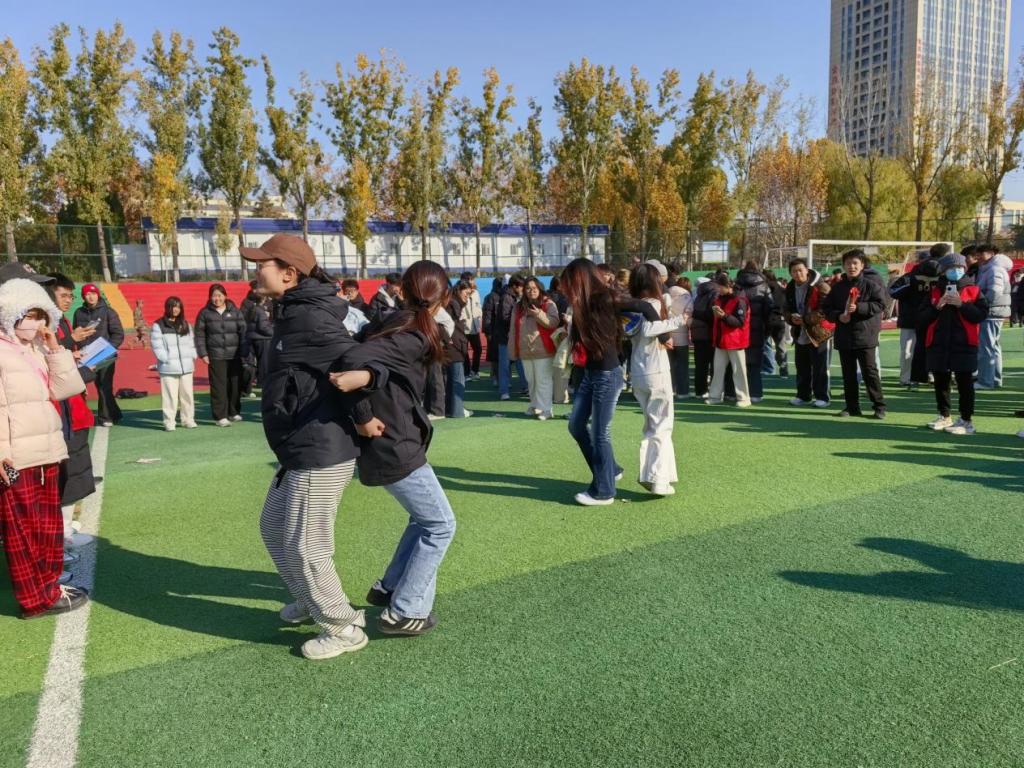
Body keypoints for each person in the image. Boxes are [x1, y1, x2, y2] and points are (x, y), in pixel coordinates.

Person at [241, 233, 382, 660]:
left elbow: (356, 364)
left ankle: (343, 627)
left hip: (319, 448)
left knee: (307, 545)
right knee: (273, 527)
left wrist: (363, 416)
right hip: (297, 444)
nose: (255, 270)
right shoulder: (291, 310)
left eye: (262, 264)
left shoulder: (309, 317)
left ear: (289, 273)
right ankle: (310, 598)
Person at [330, 260, 457, 638]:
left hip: (396, 438)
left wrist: (368, 383)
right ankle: (404, 610)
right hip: (394, 442)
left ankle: (390, 587)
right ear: (443, 296)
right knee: (441, 524)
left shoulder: (398, 323)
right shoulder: (412, 333)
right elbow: (351, 361)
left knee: (424, 519)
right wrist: (364, 407)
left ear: (404, 290)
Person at [0, 278, 89, 618]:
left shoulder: (36, 348)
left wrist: (54, 348)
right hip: (17, 457)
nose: (35, 323)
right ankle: (34, 599)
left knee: (47, 528)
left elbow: (66, 388)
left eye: (40, 315)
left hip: (46, 450)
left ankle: (49, 587)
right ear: (11, 313)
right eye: (29, 315)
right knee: (23, 533)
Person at [560, 259, 663, 506]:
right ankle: (611, 470)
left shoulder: (604, 298)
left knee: (600, 434)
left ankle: (604, 491)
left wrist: (665, 335)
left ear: (580, 279)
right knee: (576, 425)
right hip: (590, 373)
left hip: (607, 374)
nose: (565, 289)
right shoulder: (583, 302)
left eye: (568, 283)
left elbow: (644, 307)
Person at [47, 274, 97, 557]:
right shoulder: (48, 325)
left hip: (73, 408)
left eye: (70, 296)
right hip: (59, 412)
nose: (69, 300)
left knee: (74, 473)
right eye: (64, 295)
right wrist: (69, 341)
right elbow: (48, 360)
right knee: (63, 476)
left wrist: (76, 353)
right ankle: (61, 535)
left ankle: (65, 530)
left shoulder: (62, 321)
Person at [627, 265, 686, 496]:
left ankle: (658, 476)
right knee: (662, 425)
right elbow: (649, 329)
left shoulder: (631, 305)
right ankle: (658, 479)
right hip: (656, 369)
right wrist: (679, 320)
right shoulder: (652, 303)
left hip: (638, 370)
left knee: (652, 426)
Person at [920, 253, 988, 435]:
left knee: (964, 382)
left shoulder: (974, 290)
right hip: (938, 343)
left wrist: (962, 304)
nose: (955, 271)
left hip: (965, 343)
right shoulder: (935, 291)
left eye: (959, 267)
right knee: (941, 381)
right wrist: (937, 307)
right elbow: (922, 318)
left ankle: (966, 420)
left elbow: (980, 315)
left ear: (964, 269)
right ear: (943, 271)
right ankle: (944, 415)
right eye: (951, 268)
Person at [823, 249, 886, 419]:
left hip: (865, 335)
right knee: (848, 374)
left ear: (862, 265)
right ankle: (852, 407)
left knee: (870, 372)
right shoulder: (837, 288)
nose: (851, 267)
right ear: (843, 266)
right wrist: (838, 316)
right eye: (848, 263)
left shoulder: (871, 285)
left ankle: (879, 406)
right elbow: (827, 309)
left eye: (855, 263)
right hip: (844, 336)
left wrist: (859, 308)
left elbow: (881, 304)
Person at [195, 284, 247, 427]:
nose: (217, 299)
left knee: (235, 385)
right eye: (214, 296)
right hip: (216, 355)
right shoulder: (205, 313)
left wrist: (244, 351)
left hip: (235, 355)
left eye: (219, 295)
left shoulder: (235, 311)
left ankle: (233, 412)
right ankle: (220, 416)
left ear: (225, 296)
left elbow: (243, 332)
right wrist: (203, 353)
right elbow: (199, 335)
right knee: (219, 386)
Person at [72, 283, 124, 426]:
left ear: (98, 295)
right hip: (86, 356)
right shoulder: (78, 313)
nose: (91, 297)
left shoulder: (109, 312)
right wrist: (81, 350)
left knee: (104, 385)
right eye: (87, 294)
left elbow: (118, 334)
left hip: (105, 356)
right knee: (87, 384)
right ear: (83, 296)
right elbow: (77, 334)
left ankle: (105, 418)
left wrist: (108, 350)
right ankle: (115, 413)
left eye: (93, 293)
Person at [509, 277, 560, 420]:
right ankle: (535, 405)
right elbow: (513, 329)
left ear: (540, 288)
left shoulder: (548, 304)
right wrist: (513, 349)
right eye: (528, 288)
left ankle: (546, 409)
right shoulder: (518, 307)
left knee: (543, 380)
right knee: (531, 381)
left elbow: (553, 322)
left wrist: (538, 314)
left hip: (544, 350)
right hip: (525, 350)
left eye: (534, 288)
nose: (531, 291)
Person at [784, 258, 833, 408]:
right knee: (802, 366)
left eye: (800, 270)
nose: (798, 273)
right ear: (790, 273)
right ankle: (803, 396)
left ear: (807, 270)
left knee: (820, 367)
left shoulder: (820, 286)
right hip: (800, 332)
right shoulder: (790, 287)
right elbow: (785, 308)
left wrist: (805, 319)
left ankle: (823, 397)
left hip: (819, 332)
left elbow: (826, 309)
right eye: (794, 271)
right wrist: (791, 318)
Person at [151, 297, 198, 432]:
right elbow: (157, 345)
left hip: (186, 366)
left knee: (187, 395)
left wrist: (192, 355)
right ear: (167, 308)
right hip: (169, 367)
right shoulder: (159, 325)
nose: (175, 309)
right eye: (173, 306)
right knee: (169, 396)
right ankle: (169, 421)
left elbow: (191, 342)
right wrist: (165, 358)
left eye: (178, 306)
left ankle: (188, 419)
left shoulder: (185, 324)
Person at [707, 273, 752, 407]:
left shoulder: (740, 300)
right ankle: (715, 396)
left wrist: (724, 316)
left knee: (739, 371)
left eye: (720, 287)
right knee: (717, 370)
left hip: (736, 341)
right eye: (717, 287)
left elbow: (740, 322)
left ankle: (744, 398)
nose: (718, 289)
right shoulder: (719, 299)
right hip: (721, 340)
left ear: (728, 285)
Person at [974, 243, 1013, 390]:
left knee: (986, 347)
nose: (978, 256)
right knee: (993, 346)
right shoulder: (993, 268)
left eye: (981, 253)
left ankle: (985, 381)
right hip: (996, 311)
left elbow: (994, 292)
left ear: (991, 253)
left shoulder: (994, 269)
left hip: (991, 312)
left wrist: (982, 304)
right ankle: (995, 379)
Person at [734, 261, 773, 403]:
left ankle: (738, 393)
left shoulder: (737, 285)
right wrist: (767, 330)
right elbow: (770, 310)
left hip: (738, 329)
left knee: (739, 363)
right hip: (757, 328)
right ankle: (756, 393)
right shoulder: (764, 286)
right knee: (755, 364)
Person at [443, 281, 472, 419]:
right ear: (458, 290)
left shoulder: (451, 303)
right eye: (466, 293)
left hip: (452, 345)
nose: (468, 296)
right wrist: (448, 339)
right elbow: (446, 325)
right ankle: (457, 410)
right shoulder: (453, 304)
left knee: (451, 380)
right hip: (454, 346)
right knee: (457, 380)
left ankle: (451, 409)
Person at [496, 276, 527, 401]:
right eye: (521, 287)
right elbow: (505, 317)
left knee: (521, 363)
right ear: (514, 286)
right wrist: (519, 321)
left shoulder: (515, 297)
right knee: (505, 365)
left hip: (515, 336)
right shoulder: (507, 298)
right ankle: (504, 391)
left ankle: (525, 386)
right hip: (506, 337)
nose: (522, 290)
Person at [689, 276, 720, 400]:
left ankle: (700, 391)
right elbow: (712, 314)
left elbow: (696, 311)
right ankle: (714, 391)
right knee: (714, 364)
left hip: (698, 333)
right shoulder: (715, 293)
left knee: (700, 364)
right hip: (710, 333)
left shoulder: (699, 294)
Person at [666, 278, 692, 399]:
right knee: (682, 365)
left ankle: (669, 390)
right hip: (682, 336)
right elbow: (689, 316)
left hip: (667, 335)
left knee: (668, 365)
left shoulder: (666, 294)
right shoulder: (687, 297)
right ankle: (682, 392)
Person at [244, 293, 274, 387]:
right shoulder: (260, 311)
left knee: (251, 362)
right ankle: (262, 381)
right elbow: (263, 327)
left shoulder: (251, 309)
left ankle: (250, 381)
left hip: (251, 337)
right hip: (262, 339)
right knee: (263, 362)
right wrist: (273, 333)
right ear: (263, 299)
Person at [459, 271, 484, 380]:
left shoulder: (476, 293)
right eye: (468, 279)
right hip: (463, 327)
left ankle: (475, 371)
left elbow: (478, 307)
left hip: (474, 327)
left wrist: (479, 318)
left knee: (478, 349)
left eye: (472, 279)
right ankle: (467, 372)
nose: (471, 281)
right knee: (464, 351)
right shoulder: (459, 292)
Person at [481, 277, 504, 386]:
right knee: (495, 356)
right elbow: (487, 315)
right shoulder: (491, 297)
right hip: (493, 330)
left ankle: (498, 376)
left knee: (499, 355)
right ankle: (495, 376)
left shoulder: (503, 296)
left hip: (499, 330)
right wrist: (488, 331)